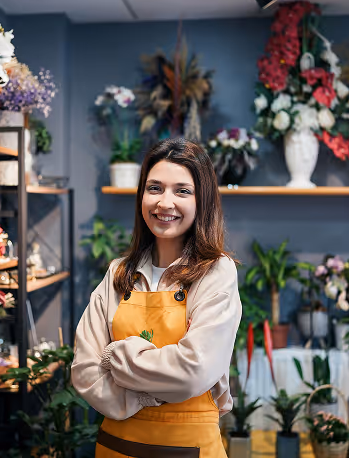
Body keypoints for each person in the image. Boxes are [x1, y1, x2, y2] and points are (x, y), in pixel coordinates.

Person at [72, 138, 242, 457]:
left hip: (189, 446)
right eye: (154, 188)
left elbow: (193, 372)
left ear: (202, 200)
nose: (165, 203)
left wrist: (118, 354)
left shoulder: (216, 271)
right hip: (116, 447)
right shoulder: (118, 272)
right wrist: (149, 394)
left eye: (182, 191)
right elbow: (84, 370)